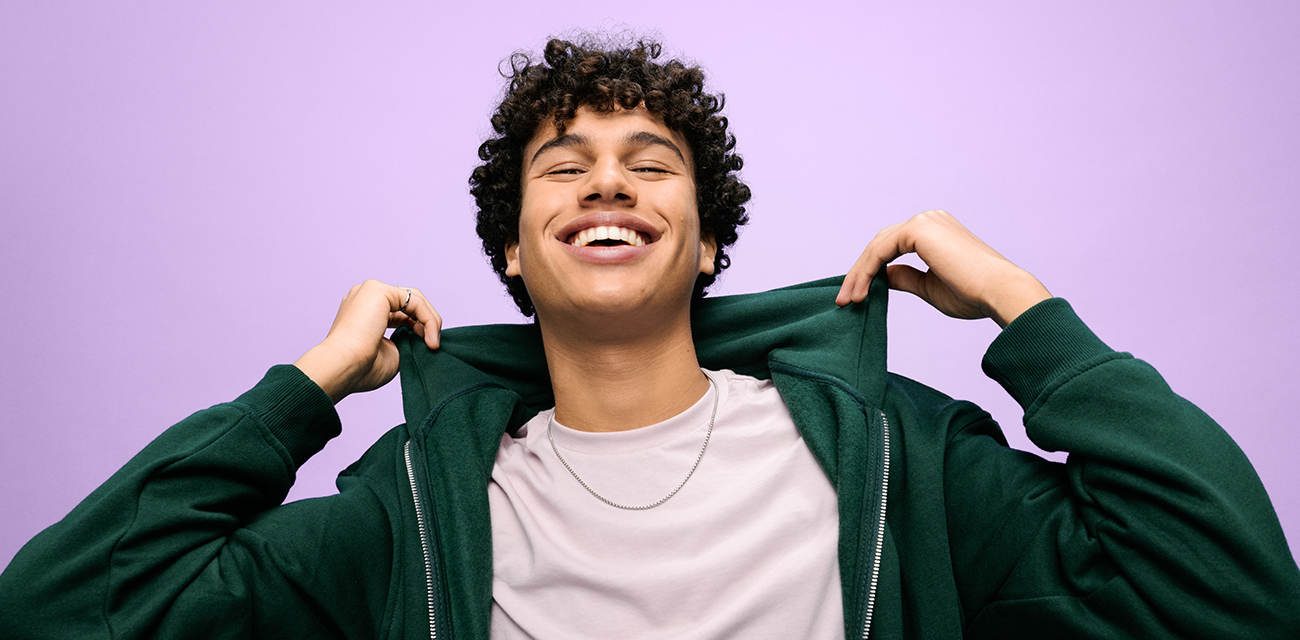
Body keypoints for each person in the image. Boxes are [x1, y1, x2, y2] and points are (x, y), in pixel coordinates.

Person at [1, 36, 1297, 640]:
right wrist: (307, 386)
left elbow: (1234, 598)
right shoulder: (410, 517)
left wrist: (1026, 309)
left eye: (649, 162)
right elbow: (60, 612)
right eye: (563, 167)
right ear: (514, 248)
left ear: (708, 238)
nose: (606, 184)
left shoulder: (894, 465)